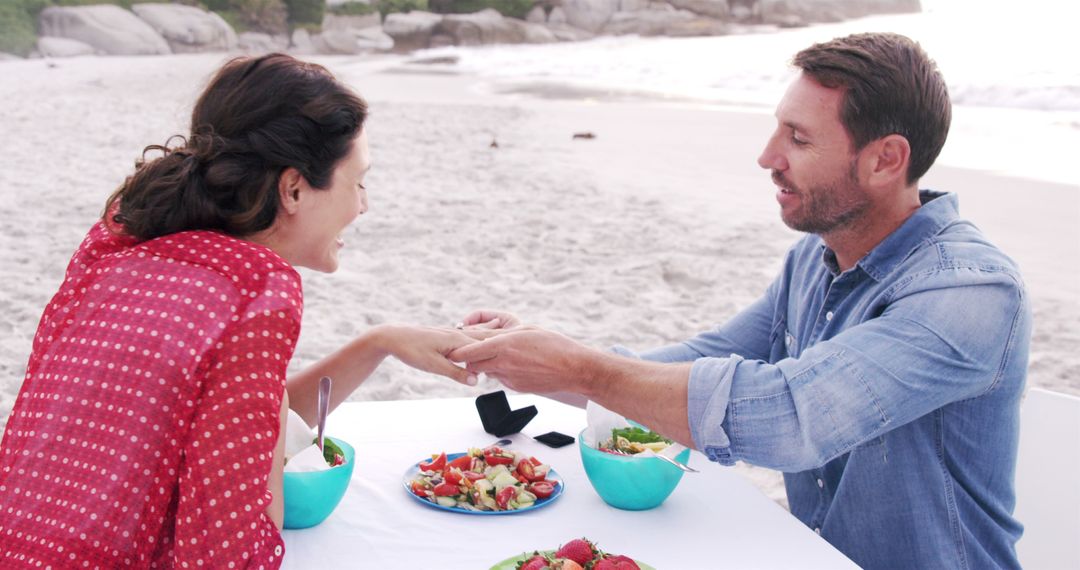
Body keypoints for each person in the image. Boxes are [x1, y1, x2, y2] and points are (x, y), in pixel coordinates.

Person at [451, 32, 1031, 569]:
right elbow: (694, 362)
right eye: (779, 128)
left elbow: (790, 418)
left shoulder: (971, 292)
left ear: (884, 160)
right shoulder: (815, 259)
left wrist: (579, 366)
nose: (767, 156)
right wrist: (528, 356)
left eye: (798, 138)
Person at [0, 54, 478, 568]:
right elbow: (226, 543)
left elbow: (234, 420)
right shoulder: (256, 287)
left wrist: (380, 342)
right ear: (293, 188)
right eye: (358, 182)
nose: (364, 205)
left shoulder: (119, 244)